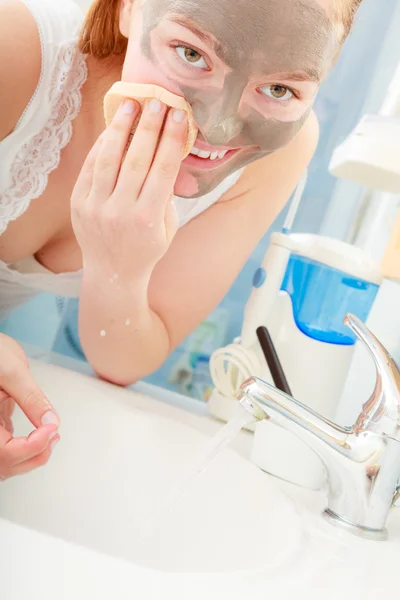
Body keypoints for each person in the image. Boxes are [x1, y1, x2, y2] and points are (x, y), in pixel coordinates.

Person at [0, 0, 362, 479]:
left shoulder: (278, 151)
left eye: (278, 88)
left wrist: (120, 269)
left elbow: (122, 360)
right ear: (128, 8)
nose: (217, 127)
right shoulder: (14, 46)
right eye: (191, 54)